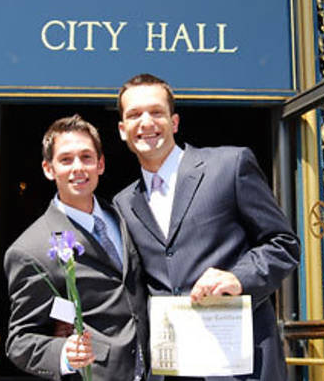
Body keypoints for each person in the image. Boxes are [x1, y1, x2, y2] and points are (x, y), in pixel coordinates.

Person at [113, 74, 300, 380]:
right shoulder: (124, 203)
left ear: (174, 122)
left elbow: (284, 244)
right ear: (123, 130)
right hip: (169, 369)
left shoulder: (230, 165)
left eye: (156, 112)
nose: (146, 122)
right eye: (134, 114)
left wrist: (237, 278)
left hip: (239, 365)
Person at [5, 114, 148, 380]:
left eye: (86, 157)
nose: (78, 168)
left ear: (100, 164)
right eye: (66, 160)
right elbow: (20, 341)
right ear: (49, 169)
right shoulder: (29, 249)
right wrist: (64, 353)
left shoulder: (126, 215)